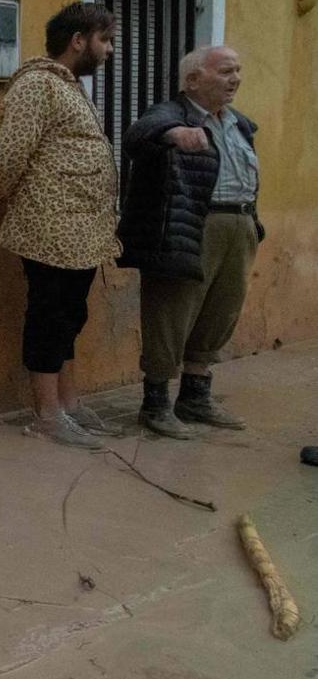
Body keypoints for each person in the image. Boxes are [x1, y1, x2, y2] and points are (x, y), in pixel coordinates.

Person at [0, 2, 121, 449]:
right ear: (78, 40)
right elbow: (8, 157)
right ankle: (46, 415)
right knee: (49, 316)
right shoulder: (38, 85)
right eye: (105, 40)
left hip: (80, 230)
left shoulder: (70, 88)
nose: (109, 50)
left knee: (70, 316)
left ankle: (69, 405)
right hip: (49, 227)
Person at [118, 45, 261, 438]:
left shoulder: (239, 123)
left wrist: (254, 226)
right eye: (226, 71)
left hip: (240, 222)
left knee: (220, 311)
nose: (235, 78)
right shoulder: (170, 113)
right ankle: (156, 404)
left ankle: (195, 397)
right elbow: (136, 136)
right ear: (193, 79)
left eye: (238, 70)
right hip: (193, 225)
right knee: (171, 312)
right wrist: (173, 134)